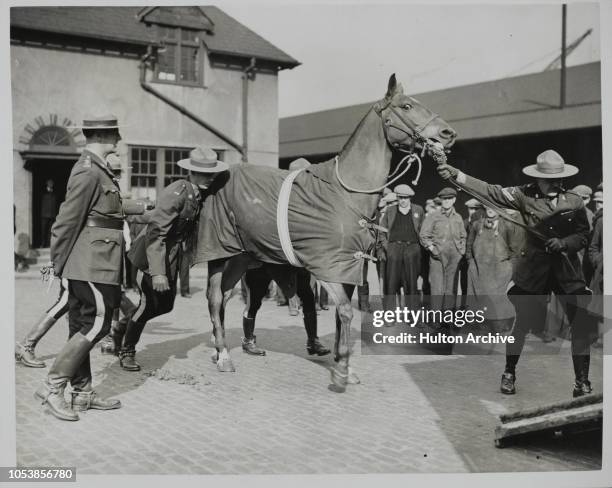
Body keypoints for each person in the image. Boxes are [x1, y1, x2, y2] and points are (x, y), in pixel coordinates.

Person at [436, 148, 595, 397]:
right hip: (535, 273)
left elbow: (584, 235)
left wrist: (564, 243)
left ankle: (582, 383)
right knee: (522, 325)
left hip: (566, 271)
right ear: (538, 179)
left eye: (559, 180)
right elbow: (491, 191)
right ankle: (509, 373)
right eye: (549, 181)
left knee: (581, 324)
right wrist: (458, 175)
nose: (555, 185)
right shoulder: (523, 194)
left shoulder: (574, 201)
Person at [35, 114, 141, 421]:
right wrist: (58, 263)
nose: (118, 141)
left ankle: (81, 394)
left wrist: (146, 207)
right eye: (116, 136)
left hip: (97, 261)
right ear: (105, 136)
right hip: (91, 263)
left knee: (80, 327)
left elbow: (109, 210)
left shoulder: (99, 171)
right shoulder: (87, 171)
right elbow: (67, 221)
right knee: (98, 325)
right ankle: (52, 388)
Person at [117, 147, 228, 371]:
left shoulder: (200, 193)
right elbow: (156, 233)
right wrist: (158, 272)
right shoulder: (177, 192)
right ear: (191, 173)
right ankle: (127, 350)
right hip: (150, 256)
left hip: (173, 256)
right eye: (202, 174)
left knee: (165, 306)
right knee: (148, 304)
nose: (207, 179)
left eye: (210, 174)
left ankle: (120, 328)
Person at [465, 206, 515, 336]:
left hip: (499, 270)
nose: (490, 209)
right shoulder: (477, 225)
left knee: (496, 298)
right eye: (487, 205)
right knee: (480, 297)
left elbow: (514, 249)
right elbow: (469, 245)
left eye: (494, 206)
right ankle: (482, 324)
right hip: (479, 269)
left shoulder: (507, 226)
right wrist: (470, 261)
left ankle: (498, 326)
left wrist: (508, 267)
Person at [419, 187, 466, 314]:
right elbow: (423, 235)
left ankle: (448, 317)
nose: (446, 201)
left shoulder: (458, 218)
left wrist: (461, 251)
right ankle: (436, 318)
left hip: (454, 257)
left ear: (454, 200)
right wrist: (432, 248)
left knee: (451, 288)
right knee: (437, 288)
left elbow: (463, 236)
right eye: (444, 199)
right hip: (438, 256)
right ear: (441, 200)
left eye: (449, 199)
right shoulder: (434, 216)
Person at [378, 184, 424, 313]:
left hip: (412, 249)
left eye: (406, 198)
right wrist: (388, 248)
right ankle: (390, 315)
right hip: (394, 248)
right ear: (397, 198)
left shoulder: (418, 210)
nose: (403, 200)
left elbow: (423, 231)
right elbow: (381, 231)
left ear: (410, 198)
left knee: (411, 284)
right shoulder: (390, 210)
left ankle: (412, 315)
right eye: (400, 198)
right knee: (391, 283)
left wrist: (417, 249)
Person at [460, 198, 484, 298]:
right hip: (466, 258)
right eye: (471, 209)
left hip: (480, 259)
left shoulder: (482, 224)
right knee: (465, 285)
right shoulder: (463, 223)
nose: (473, 211)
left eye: (476, 209)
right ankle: (463, 309)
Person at [588, 189, 603, 348]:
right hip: (603, 271)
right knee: (601, 304)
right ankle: (601, 339)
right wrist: (599, 261)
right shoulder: (601, 221)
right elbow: (593, 247)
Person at [40, 179, 58, 247]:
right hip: (44, 215)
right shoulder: (43, 193)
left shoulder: (54, 193)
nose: (51, 185)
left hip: (52, 215)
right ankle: (43, 243)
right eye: (49, 184)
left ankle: (48, 244)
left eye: (52, 184)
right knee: (43, 230)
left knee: (50, 231)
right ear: (47, 185)